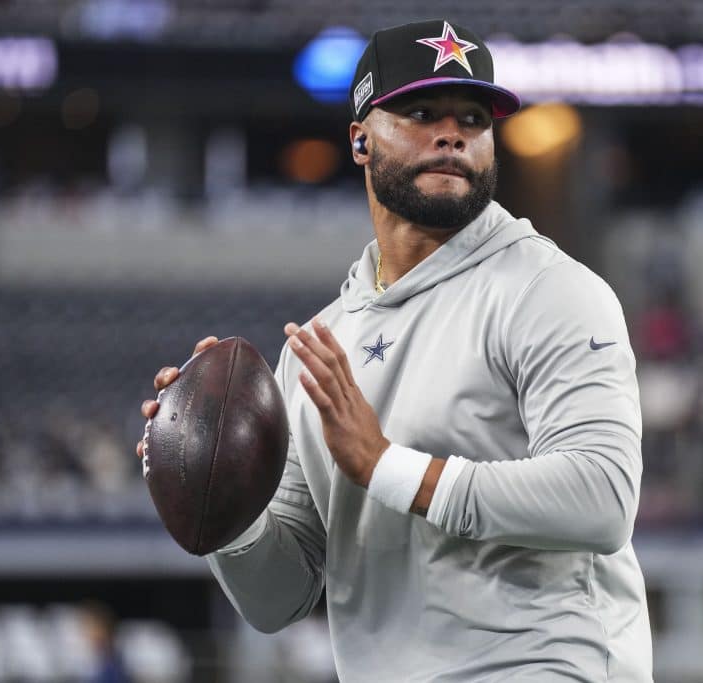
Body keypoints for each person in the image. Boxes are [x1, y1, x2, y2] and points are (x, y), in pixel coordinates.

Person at [138, 19, 651, 682]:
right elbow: (278, 600)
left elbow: (602, 498)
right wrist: (214, 501)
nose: (452, 133)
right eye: (419, 112)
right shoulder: (317, 348)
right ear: (359, 138)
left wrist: (385, 465)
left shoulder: (549, 291)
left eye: (473, 117)